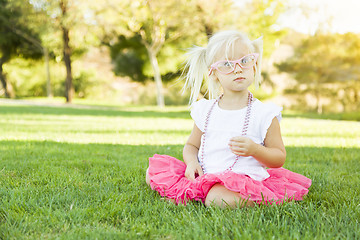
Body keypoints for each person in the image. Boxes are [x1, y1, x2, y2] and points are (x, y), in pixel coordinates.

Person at [145, 30, 311, 208]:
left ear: (254, 66)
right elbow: (191, 146)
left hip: (242, 180)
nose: (238, 68)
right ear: (214, 73)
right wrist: (192, 163)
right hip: (205, 173)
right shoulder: (206, 109)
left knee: (216, 199)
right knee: (152, 172)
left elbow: (278, 157)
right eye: (227, 64)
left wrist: (255, 149)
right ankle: (199, 191)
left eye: (245, 61)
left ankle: (260, 198)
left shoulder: (264, 114)